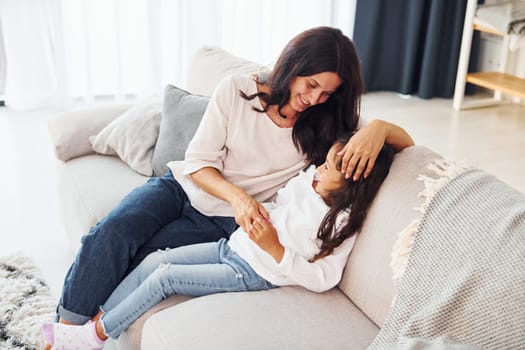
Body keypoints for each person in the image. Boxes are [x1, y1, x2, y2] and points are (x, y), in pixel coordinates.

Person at [55, 26, 414, 326]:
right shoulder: (237, 90)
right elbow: (198, 162)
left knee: (146, 256)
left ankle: (93, 331)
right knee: (110, 232)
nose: (315, 98)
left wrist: (379, 127)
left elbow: (404, 146)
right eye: (311, 85)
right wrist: (238, 196)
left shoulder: (328, 124)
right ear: (294, 65)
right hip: (183, 187)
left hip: (225, 222)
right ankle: (63, 333)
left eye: (327, 92)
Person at [43, 137, 395, 349]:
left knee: (165, 276)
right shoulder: (309, 181)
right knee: (154, 260)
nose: (317, 169)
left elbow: (324, 277)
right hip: (234, 246)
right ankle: (98, 321)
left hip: (253, 272)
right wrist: (259, 213)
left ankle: (95, 337)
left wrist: (276, 249)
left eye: (329, 168)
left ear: (353, 181)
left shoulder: (343, 221)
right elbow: (282, 205)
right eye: (322, 162)